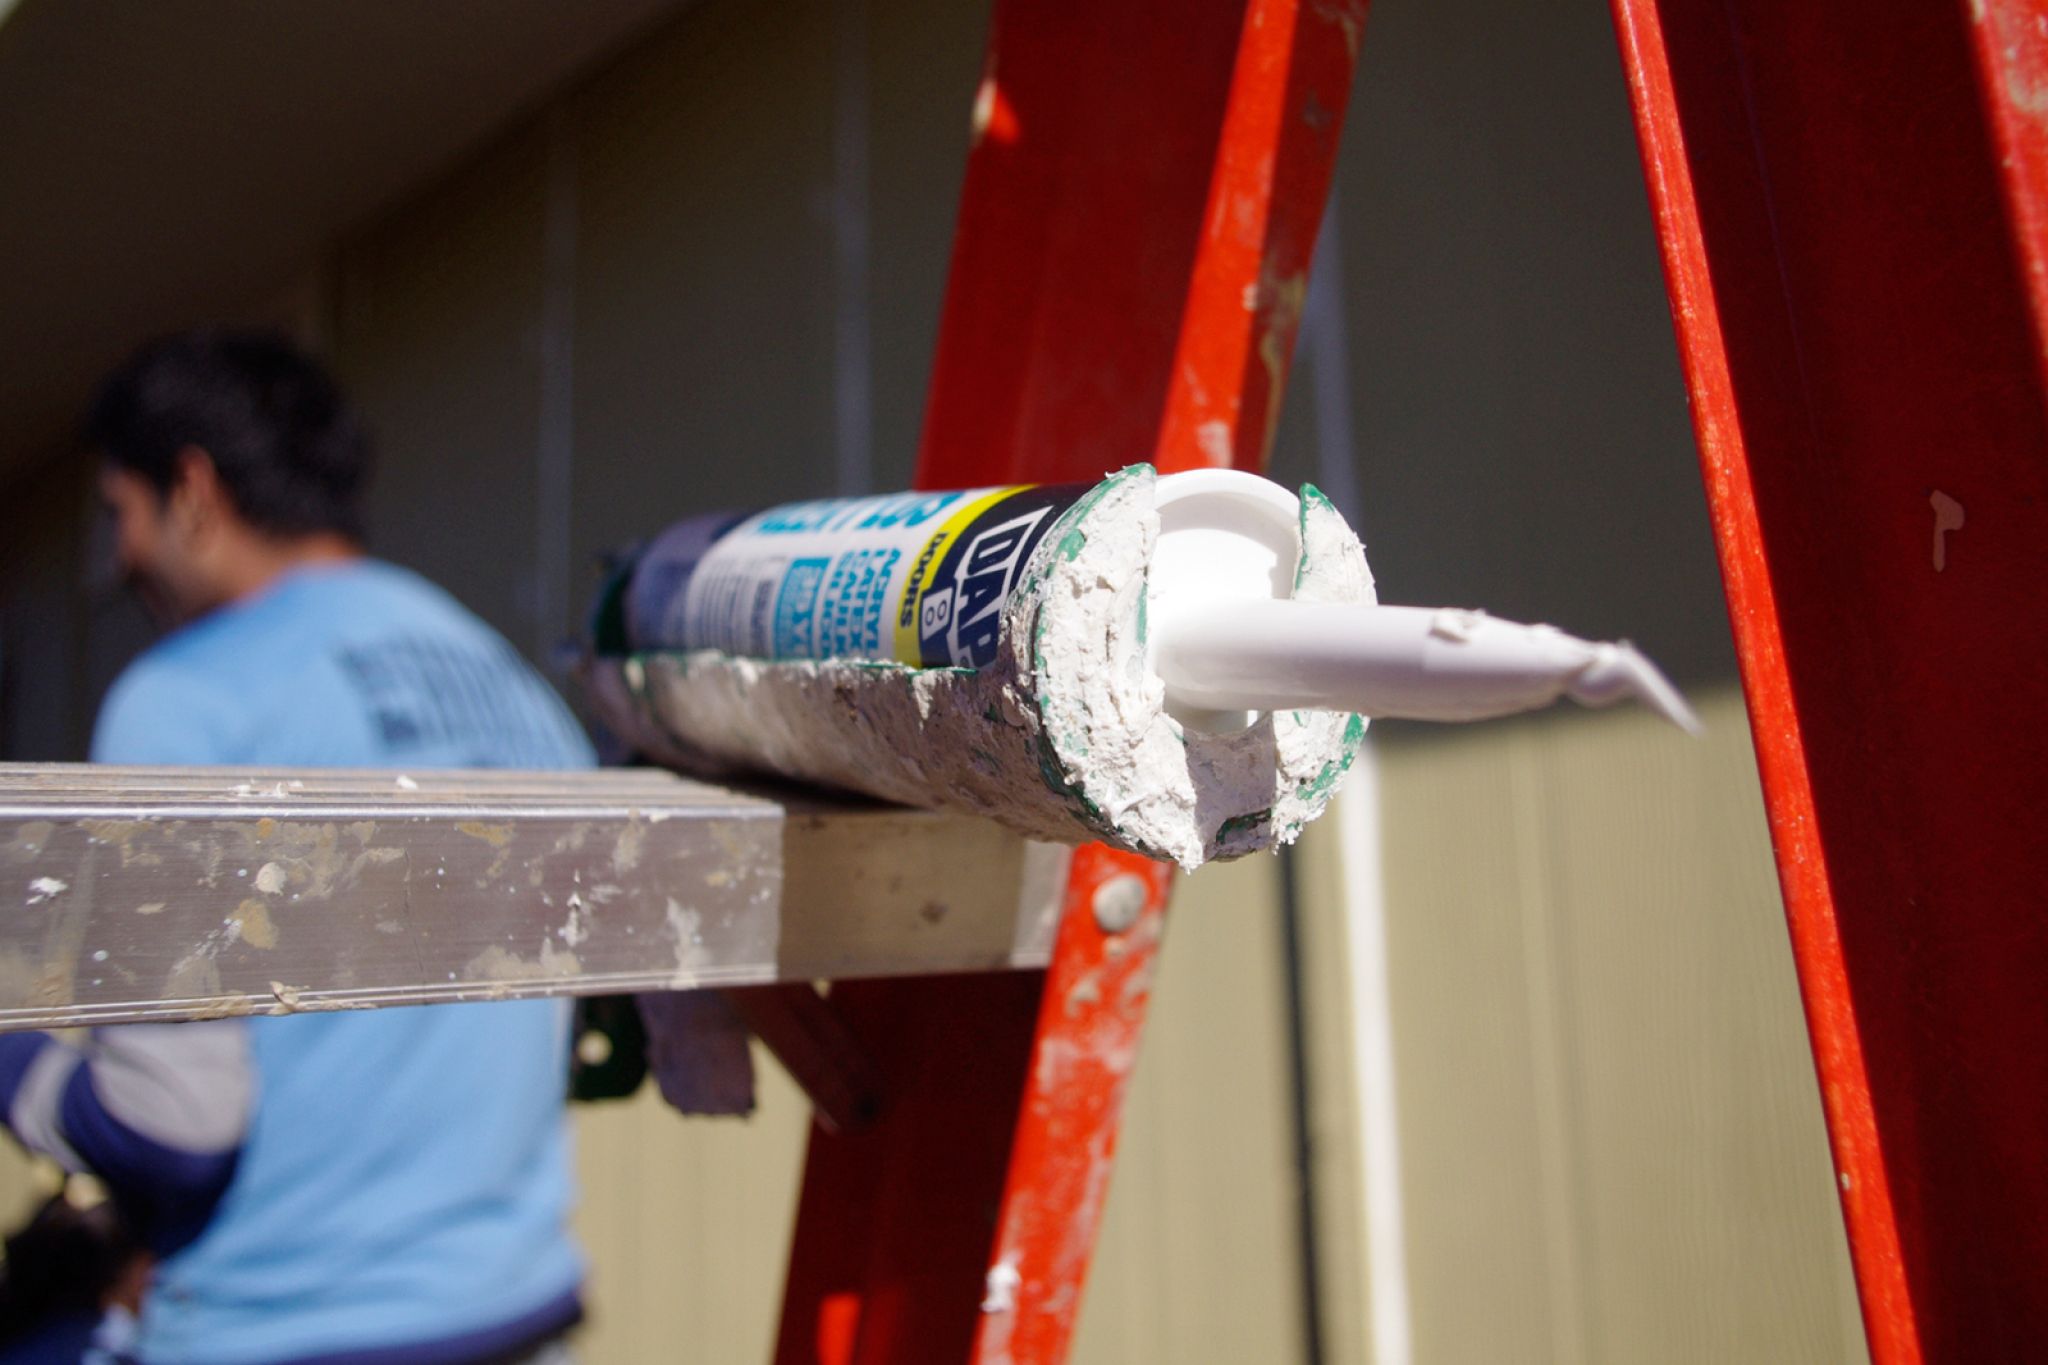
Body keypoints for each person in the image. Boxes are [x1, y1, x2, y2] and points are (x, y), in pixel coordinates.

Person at [0, 330, 593, 1363]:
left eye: (119, 514)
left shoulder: (185, 699)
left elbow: (169, 1132)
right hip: (514, 1308)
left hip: (291, 1328)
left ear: (191, 488)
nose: (118, 558)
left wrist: (14, 1066)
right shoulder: (503, 679)